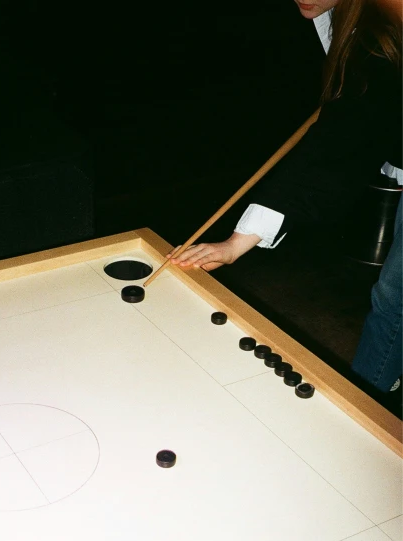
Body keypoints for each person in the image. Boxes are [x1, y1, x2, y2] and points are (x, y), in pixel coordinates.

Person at [168, 0, 402, 398]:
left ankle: (366, 398)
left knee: (394, 294)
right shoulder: (345, 19)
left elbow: (334, 149)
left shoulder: (378, 36)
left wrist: (237, 243)